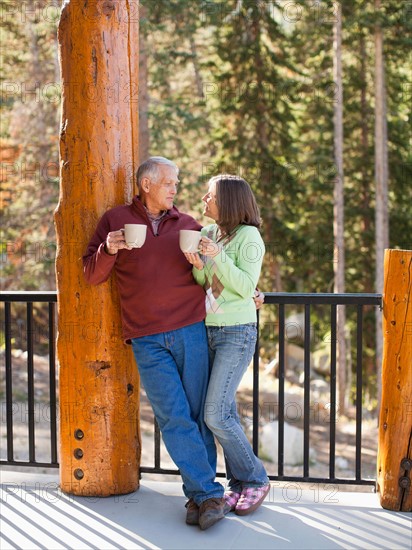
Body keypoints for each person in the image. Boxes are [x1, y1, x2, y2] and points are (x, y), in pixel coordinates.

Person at [83, 157, 225, 530]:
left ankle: (200, 495)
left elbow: (212, 277)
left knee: (196, 414)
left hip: (191, 328)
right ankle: (208, 494)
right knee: (172, 416)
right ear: (147, 185)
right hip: (146, 337)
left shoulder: (189, 225)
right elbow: (91, 275)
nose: (175, 189)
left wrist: (232, 277)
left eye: (176, 183)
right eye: (169, 183)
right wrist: (108, 251)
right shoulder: (115, 222)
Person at [184, 174, 270, 516]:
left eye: (211, 195)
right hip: (209, 330)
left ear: (230, 201)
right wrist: (198, 266)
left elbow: (244, 286)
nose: (204, 199)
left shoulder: (250, 237)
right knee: (225, 411)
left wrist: (218, 256)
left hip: (237, 331)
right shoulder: (207, 233)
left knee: (215, 414)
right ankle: (239, 484)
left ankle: (256, 478)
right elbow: (206, 283)